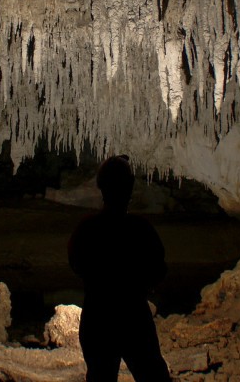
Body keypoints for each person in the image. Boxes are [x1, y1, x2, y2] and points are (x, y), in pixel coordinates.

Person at [68, 155, 172, 382]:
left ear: (101, 188)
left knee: (100, 376)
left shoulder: (87, 229)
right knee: (153, 375)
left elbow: (76, 264)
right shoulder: (140, 229)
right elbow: (158, 268)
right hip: (133, 316)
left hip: (98, 316)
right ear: (129, 189)